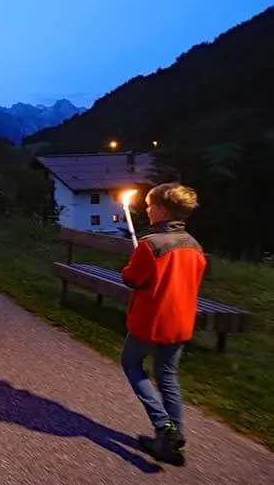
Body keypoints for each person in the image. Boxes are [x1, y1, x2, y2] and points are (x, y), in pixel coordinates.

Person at [120, 183, 206, 467]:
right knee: (167, 376)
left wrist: (131, 264)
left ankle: (163, 426)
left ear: (161, 210)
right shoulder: (194, 245)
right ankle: (172, 440)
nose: (146, 209)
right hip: (180, 323)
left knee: (131, 364)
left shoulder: (150, 244)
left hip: (151, 322)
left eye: (149, 204)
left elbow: (133, 279)